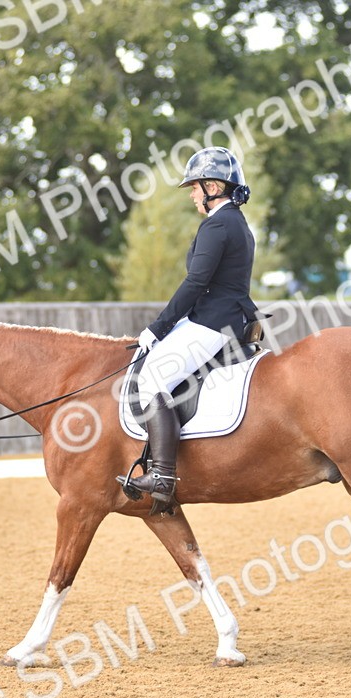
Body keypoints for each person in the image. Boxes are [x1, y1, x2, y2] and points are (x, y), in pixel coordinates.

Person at [117, 146, 258, 514]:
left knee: (151, 379)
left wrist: (158, 328)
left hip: (212, 323)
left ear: (213, 186)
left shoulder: (217, 225)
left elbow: (196, 282)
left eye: (195, 187)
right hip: (227, 317)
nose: (192, 194)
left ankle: (162, 475)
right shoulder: (237, 224)